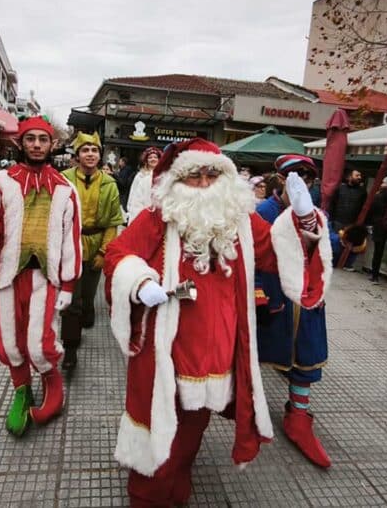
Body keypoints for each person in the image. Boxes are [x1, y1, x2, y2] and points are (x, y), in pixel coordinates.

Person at [104, 139, 332, 507]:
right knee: (157, 419)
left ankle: (177, 479)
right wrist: (140, 281)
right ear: (178, 181)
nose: (206, 182)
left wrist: (305, 220)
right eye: (195, 175)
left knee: (193, 426)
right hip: (167, 346)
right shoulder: (158, 217)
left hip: (219, 349)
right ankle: (146, 495)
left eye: (213, 173)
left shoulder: (240, 220)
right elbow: (117, 254)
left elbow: (279, 254)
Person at [0, 116, 82, 436]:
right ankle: (22, 389)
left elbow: (71, 239)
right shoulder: (0, 183)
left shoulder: (65, 189)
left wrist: (69, 283)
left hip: (45, 279)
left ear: (52, 144)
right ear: (21, 143)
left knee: (40, 344)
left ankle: (53, 385)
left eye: (43, 140)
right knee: (11, 344)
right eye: (31, 139)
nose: (37, 145)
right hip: (6, 277)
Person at [255, 153, 333, 469]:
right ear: (281, 179)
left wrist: (346, 242)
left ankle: (298, 417)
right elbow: (252, 256)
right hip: (273, 299)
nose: (301, 182)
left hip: (308, 302)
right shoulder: (264, 211)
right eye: (293, 176)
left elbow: (328, 253)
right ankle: (246, 406)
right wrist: (257, 292)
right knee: (256, 352)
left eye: (308, 177)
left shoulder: (319, 214)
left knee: (306, 356)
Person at [61, 132, 124, 370]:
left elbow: (112, 222)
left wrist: (104, 252)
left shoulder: (110, 184)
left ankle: (87, 312)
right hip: (69, 244)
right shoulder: (64, 179)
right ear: (77, 155)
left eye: (94, 150)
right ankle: (70, 347)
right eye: (85, 150)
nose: (90, 154)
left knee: (88, 295)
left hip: (96, 244)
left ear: (100, 156)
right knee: (70, 298)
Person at [328, 167, 367, 270]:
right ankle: (333, 261)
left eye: (360, 176)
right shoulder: (340, 189)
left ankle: (346, 264)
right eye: (357, 175)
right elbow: (332, 204)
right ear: (349, 177)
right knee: (336, 242)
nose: (359, 177)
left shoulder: (362, 192)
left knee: (350, 244)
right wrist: (331, 218)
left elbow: (364, 207)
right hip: (338, 220)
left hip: (352, 222)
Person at [126, 147, 162, 223]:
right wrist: (130, 211)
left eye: (155, 157)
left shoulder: (164, 175)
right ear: (146, 160)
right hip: (143, 209)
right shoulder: (140, 175)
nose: (153, 159)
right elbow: (133, 193)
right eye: (150, 157)